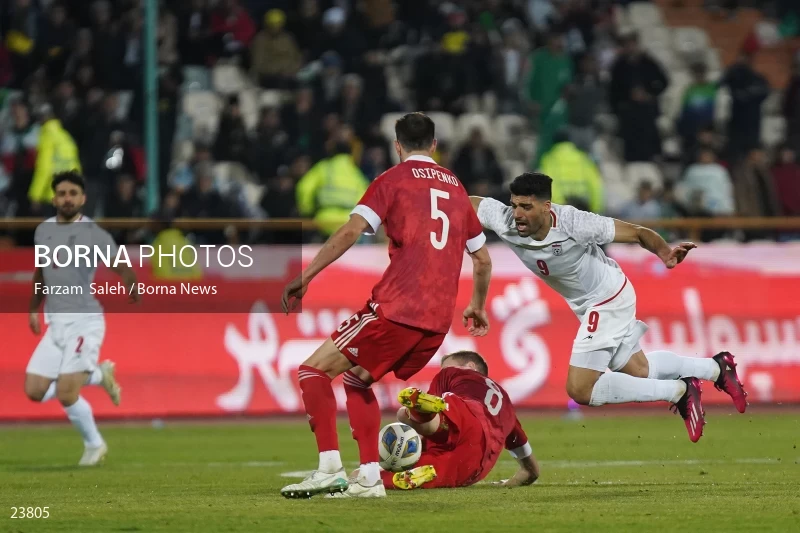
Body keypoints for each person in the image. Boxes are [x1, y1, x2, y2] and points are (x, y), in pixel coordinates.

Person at [279, 113, 492, 499]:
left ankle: (329, 469)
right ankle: (369, 478)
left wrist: (307, 275)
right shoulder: (456, 188)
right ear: (434, 145)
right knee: (357, 379)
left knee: (312, 371)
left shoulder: (392, 180)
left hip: (397, 307)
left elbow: (351, 231)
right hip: (436, 321)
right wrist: (477, 305)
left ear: (397, 146)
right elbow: (482, 259)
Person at [471, 172, 748, 443]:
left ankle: (678, 391)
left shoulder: (574, 223)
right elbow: (464, 202)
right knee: (640, 370)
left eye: (526, 207)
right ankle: (715, 368)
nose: (517, 214)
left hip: (607, 298)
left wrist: (665, 253)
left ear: (546, 206)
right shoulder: (503, 218)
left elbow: (637, 233)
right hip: (588, 303)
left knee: (580, 389)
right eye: (514, 205)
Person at [25, 170, 140, 465]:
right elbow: (41, 273)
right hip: (56, 325)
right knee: (34, 390)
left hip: (84, 322)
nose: (67, 199)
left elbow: (118, 263)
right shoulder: (43, 231)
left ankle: (94, 444)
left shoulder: (93, 233)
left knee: (66, 392)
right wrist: (33, 308)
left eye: (72, 194)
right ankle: (99, 375)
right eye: (62, 194)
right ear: (54, 199)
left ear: (83, 198)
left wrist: (130, 281)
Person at [377, 351, 539, 491]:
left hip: (466, 414)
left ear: (470, 366)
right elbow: (531, 471)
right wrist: (511, 482)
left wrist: (406, 444)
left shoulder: (455, 374)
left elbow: (421, 432)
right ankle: (399, 477)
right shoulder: (507, 408)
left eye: (446, 367)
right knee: (438, 471)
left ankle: (422, 414)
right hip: (477, 461)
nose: (443, 371)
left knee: (405, 416)